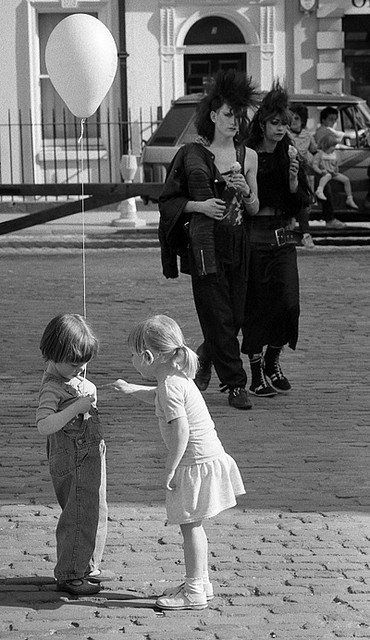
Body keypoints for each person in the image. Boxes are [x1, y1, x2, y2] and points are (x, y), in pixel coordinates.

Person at [111, 314, 245, 610]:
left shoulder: (171, 387)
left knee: (190, 527)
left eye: (133, 355)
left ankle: (195, 591)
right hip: (206, 458)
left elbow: (181, 430)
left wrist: (171, 467)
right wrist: (134, 390)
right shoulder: (174, 380)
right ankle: (201, 583)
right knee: (193, 525)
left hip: (194, 463)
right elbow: (160, 396)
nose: (132, 360)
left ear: (148, 357)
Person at [158, 70, 259, 410]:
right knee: (216, 315)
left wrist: (246, 192)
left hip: (239, 244)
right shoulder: (191, 155)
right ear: (214, 115)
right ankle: (235, 384)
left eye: (239, 116)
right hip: (205, 247)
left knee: (236, 316)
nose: (235, 122)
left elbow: (255, 207)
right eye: (229, 114)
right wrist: (200, 205)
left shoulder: (249, 155)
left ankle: (203, 357)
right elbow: (169, 200)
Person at [241, 83, 311, 397]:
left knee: (288, 305)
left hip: (283, 238)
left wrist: (294, 180)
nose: (281, 129)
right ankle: (255, 372)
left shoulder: (290, 153)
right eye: (275, 123)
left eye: (285, 123)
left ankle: (272, 359)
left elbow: (301, 202)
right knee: (256, 307)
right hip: (254, 238)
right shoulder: (249, 154)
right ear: (263, 124)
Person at [36, 314, 108, 596]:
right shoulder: (52, 387)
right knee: (79, 511)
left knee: (97, 509)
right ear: (54, 355)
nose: (81, 369)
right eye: (74, 364)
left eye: (84, 362)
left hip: (91, 453)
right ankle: (70, 573)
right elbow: (44, 425)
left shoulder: (73, 377)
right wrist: (75, 408)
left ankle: (88, 564)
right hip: (72, 458)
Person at [289, 104, 317, 248]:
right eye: (291, 117)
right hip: (290, 172)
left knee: (304, 203)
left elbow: (314, 150)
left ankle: (305, 233)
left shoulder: (307, 135)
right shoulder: (286, 133)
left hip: (303, 173)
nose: (293, 120)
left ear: (303, 120)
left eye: (297, 118)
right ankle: (297, 230)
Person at [313, 106, 347, 229]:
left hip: (324, 166)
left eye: (334, 120)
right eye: (330, 119)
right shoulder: (324, 131)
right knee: (326, 190)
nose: (333, 122)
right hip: (322, 166)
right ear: (323, 120)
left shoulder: (324, 131)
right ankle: (330, 218)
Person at [313, 132, 358, 209]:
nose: (334, 148)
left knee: (346, 180)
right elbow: (314, 165)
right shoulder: (320, 154)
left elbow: (336, 165)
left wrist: (336, 170)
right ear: (326, 145)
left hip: (333, 173)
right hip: (325, 173)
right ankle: (319, 190)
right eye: (333, 146)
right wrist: (320, 171)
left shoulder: (334, 154)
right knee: (327, 175)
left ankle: (349, 198)